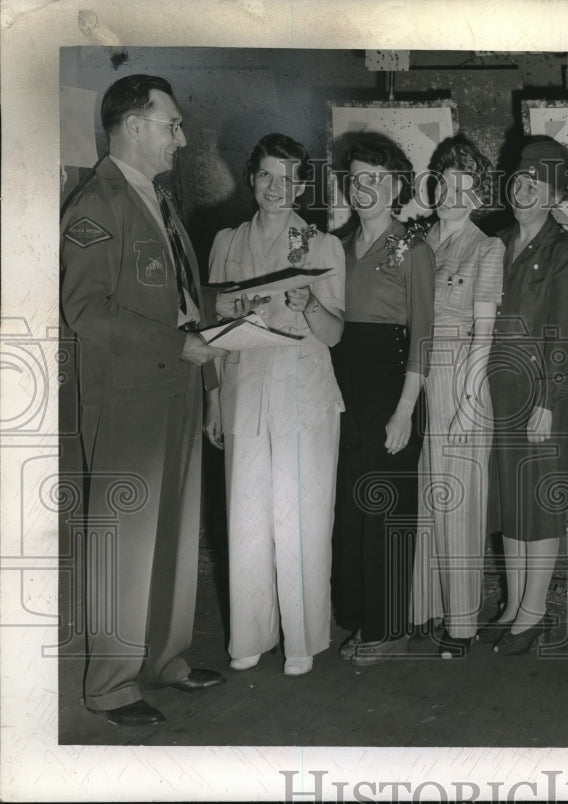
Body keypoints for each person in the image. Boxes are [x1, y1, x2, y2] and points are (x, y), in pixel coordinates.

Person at [61, 74, 227, 726]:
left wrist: (210, 377)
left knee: (176, 535)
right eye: (172, 125)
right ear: (134, 125)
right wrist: (175, 345)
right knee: (125, 542)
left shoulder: (156, 200)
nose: (181, 140)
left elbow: (187, 299)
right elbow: (85, 311)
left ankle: (166, 658)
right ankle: (111, 684)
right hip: (129, 395)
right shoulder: (96, 204)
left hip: (178, 386)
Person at [205, 133, 346, 677]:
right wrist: (213, 401)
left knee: (300, 520)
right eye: (266, 174)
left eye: (289, 177)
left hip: (302, 396)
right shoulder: (225, 241)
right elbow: (212, 329)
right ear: (251, 178)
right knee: (246, 518)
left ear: (304, 184)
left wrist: (309, 303)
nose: (276, 188)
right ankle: (251, 634)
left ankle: (303, 639)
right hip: (243, 393)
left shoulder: (322, 245)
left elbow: (333, 335)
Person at [331, 132, 435, 666]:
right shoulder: (333, 246)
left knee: (386, 508)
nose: (366, 188)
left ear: (397, 185)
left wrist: (403, 412)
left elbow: (422, 335)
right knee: (349, 507)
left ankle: (389, 627)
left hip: (390, 390)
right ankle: (355, 616)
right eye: (357, 178)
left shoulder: (412, 248)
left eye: (377, 178)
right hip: (339, 391)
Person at [481, 137, 568, 655]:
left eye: (536, 185)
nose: (523, 191)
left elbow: (567, 334)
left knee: (538, 501)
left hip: (540, 395)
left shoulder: (564, 250)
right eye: (519, 181)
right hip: (498, 391)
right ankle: (513, 602)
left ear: (553, 196)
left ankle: (535, 608)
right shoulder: (496, 243)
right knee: (509, 498)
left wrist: (550, 401)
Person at [410, 136, 504, 658]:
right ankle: (426, 607)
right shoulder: (419, 244)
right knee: (425, 495)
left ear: (478, 196)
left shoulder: (486, 247)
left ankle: (462, 622)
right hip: (416, 374)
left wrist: (469, 397)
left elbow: (484, 333)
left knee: (457, 500)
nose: (451, 196)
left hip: (458, 374)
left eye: (463, 188)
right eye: (444, 184)